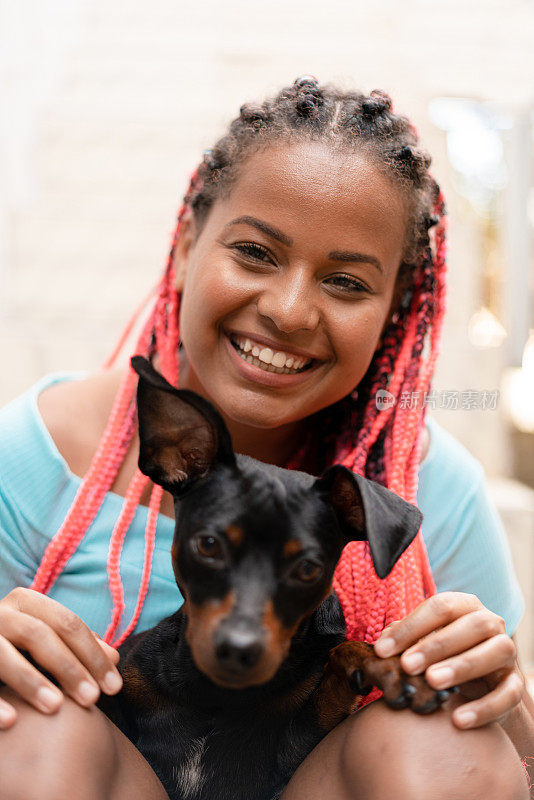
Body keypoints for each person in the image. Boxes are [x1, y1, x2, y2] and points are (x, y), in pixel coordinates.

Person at [0, 77, 531, 800]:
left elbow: (508, 760)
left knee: (445, 737)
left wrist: (497, 694)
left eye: (346, 282)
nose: (287, 310)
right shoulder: (34, 457)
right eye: (255, 251)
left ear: (393, 310)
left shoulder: (432, 490)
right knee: (32, 716)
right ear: (187, 245)